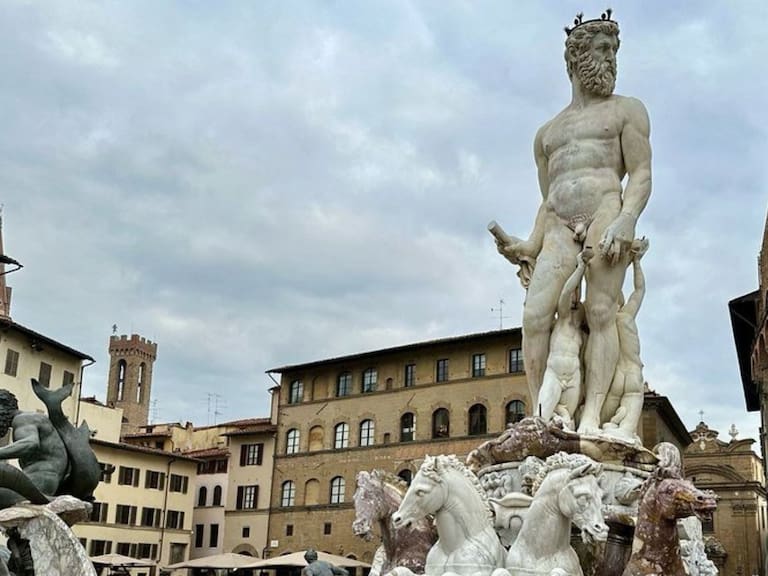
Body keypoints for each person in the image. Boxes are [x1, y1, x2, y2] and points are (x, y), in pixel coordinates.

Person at [496, 11, 652, 434]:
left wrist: (626, 218)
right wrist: (528, 245)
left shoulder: (627, 111)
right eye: (603, 49)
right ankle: (541, 415)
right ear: (576, 58)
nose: (611, 59)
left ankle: (590, 415)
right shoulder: (547, 134)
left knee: (601, 311)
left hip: (606, 210)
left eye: (614, 50)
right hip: (560, 224)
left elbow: (640, 175)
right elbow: (549, 200)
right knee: (535, 317)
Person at [536, 249, 592, 429]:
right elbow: (567, 291)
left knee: (568, 423)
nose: (575, 302)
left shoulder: (581, 333)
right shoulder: (562, 320)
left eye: (578, 299)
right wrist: (581, 268)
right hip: (555, 374)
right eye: (574, 299)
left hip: (574, 376)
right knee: (541, 417)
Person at [601, 238, 649, 443]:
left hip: (615, 377)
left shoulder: (601, 321)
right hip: (632, 371)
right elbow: (639, 290)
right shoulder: (626, 315)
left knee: (602, 420)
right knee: (628, 423)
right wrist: (637, 262)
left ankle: (608, 427)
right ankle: (624, 431)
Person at [0, 389, 68, 508]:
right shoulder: (27, 419)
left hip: (42, 479)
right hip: (40, 478)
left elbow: (30, 444)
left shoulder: (23, 419)